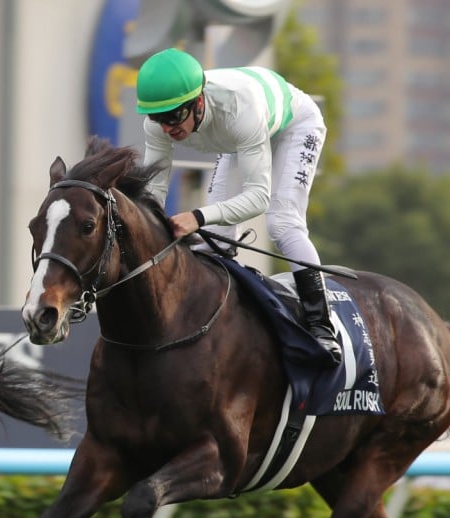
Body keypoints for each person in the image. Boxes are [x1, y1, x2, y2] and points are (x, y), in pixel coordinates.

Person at [135, 47, 340, 365]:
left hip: (293, 126)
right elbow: (153, 191)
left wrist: (196, 217)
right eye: (157, 117)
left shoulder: (238, 110)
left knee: (282, 222)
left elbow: (258, 197)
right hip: (238, 138)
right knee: (217, 238)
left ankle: (322, 328)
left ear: (198, 101)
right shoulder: (159, 126)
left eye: (174, 116)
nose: (166, 128)